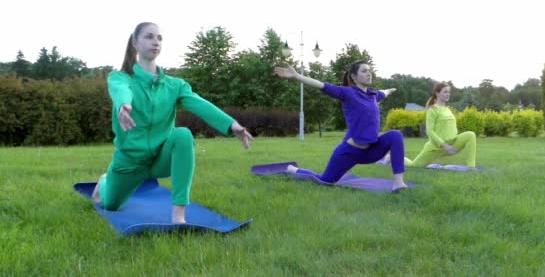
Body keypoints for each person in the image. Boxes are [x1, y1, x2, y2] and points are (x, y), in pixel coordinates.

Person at [91, 22, 253, 223]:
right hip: (130, 163)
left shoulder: (175, 85)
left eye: (159, 38)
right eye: (149, 37)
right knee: (110, 205)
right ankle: (104, 181)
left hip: (160, 159)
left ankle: (179, 216)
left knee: (182, 135)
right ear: (135, 42)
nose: (155, 42)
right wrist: (124, 105)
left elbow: (200, 104)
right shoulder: (120, 77)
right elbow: (122, 91)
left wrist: (232, 125)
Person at [274, 61, 408, 191]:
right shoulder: (347, 93)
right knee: (325, 181)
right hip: (349, 152)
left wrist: (390, 90)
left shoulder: (373, 95)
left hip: (371, 151)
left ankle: (398, 183)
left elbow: (383, 92)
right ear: (354, 77)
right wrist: (297, 76)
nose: (369, 73)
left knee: (395, 135)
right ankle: (294, 170)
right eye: (364, 71)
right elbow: (321, 85)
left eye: (369, 71)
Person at [404, 82, 477, 168]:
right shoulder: (432, 110)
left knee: (470, 135)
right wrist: (445, 146)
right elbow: (429, 132)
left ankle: (471, 168)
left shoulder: (447, 109)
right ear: (437, 93)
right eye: (445, 92)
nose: (448, 94)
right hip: (436, 148)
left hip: (452, 143)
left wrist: (451, 143)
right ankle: (392, 158)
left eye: (449, 92)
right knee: (414, 166)